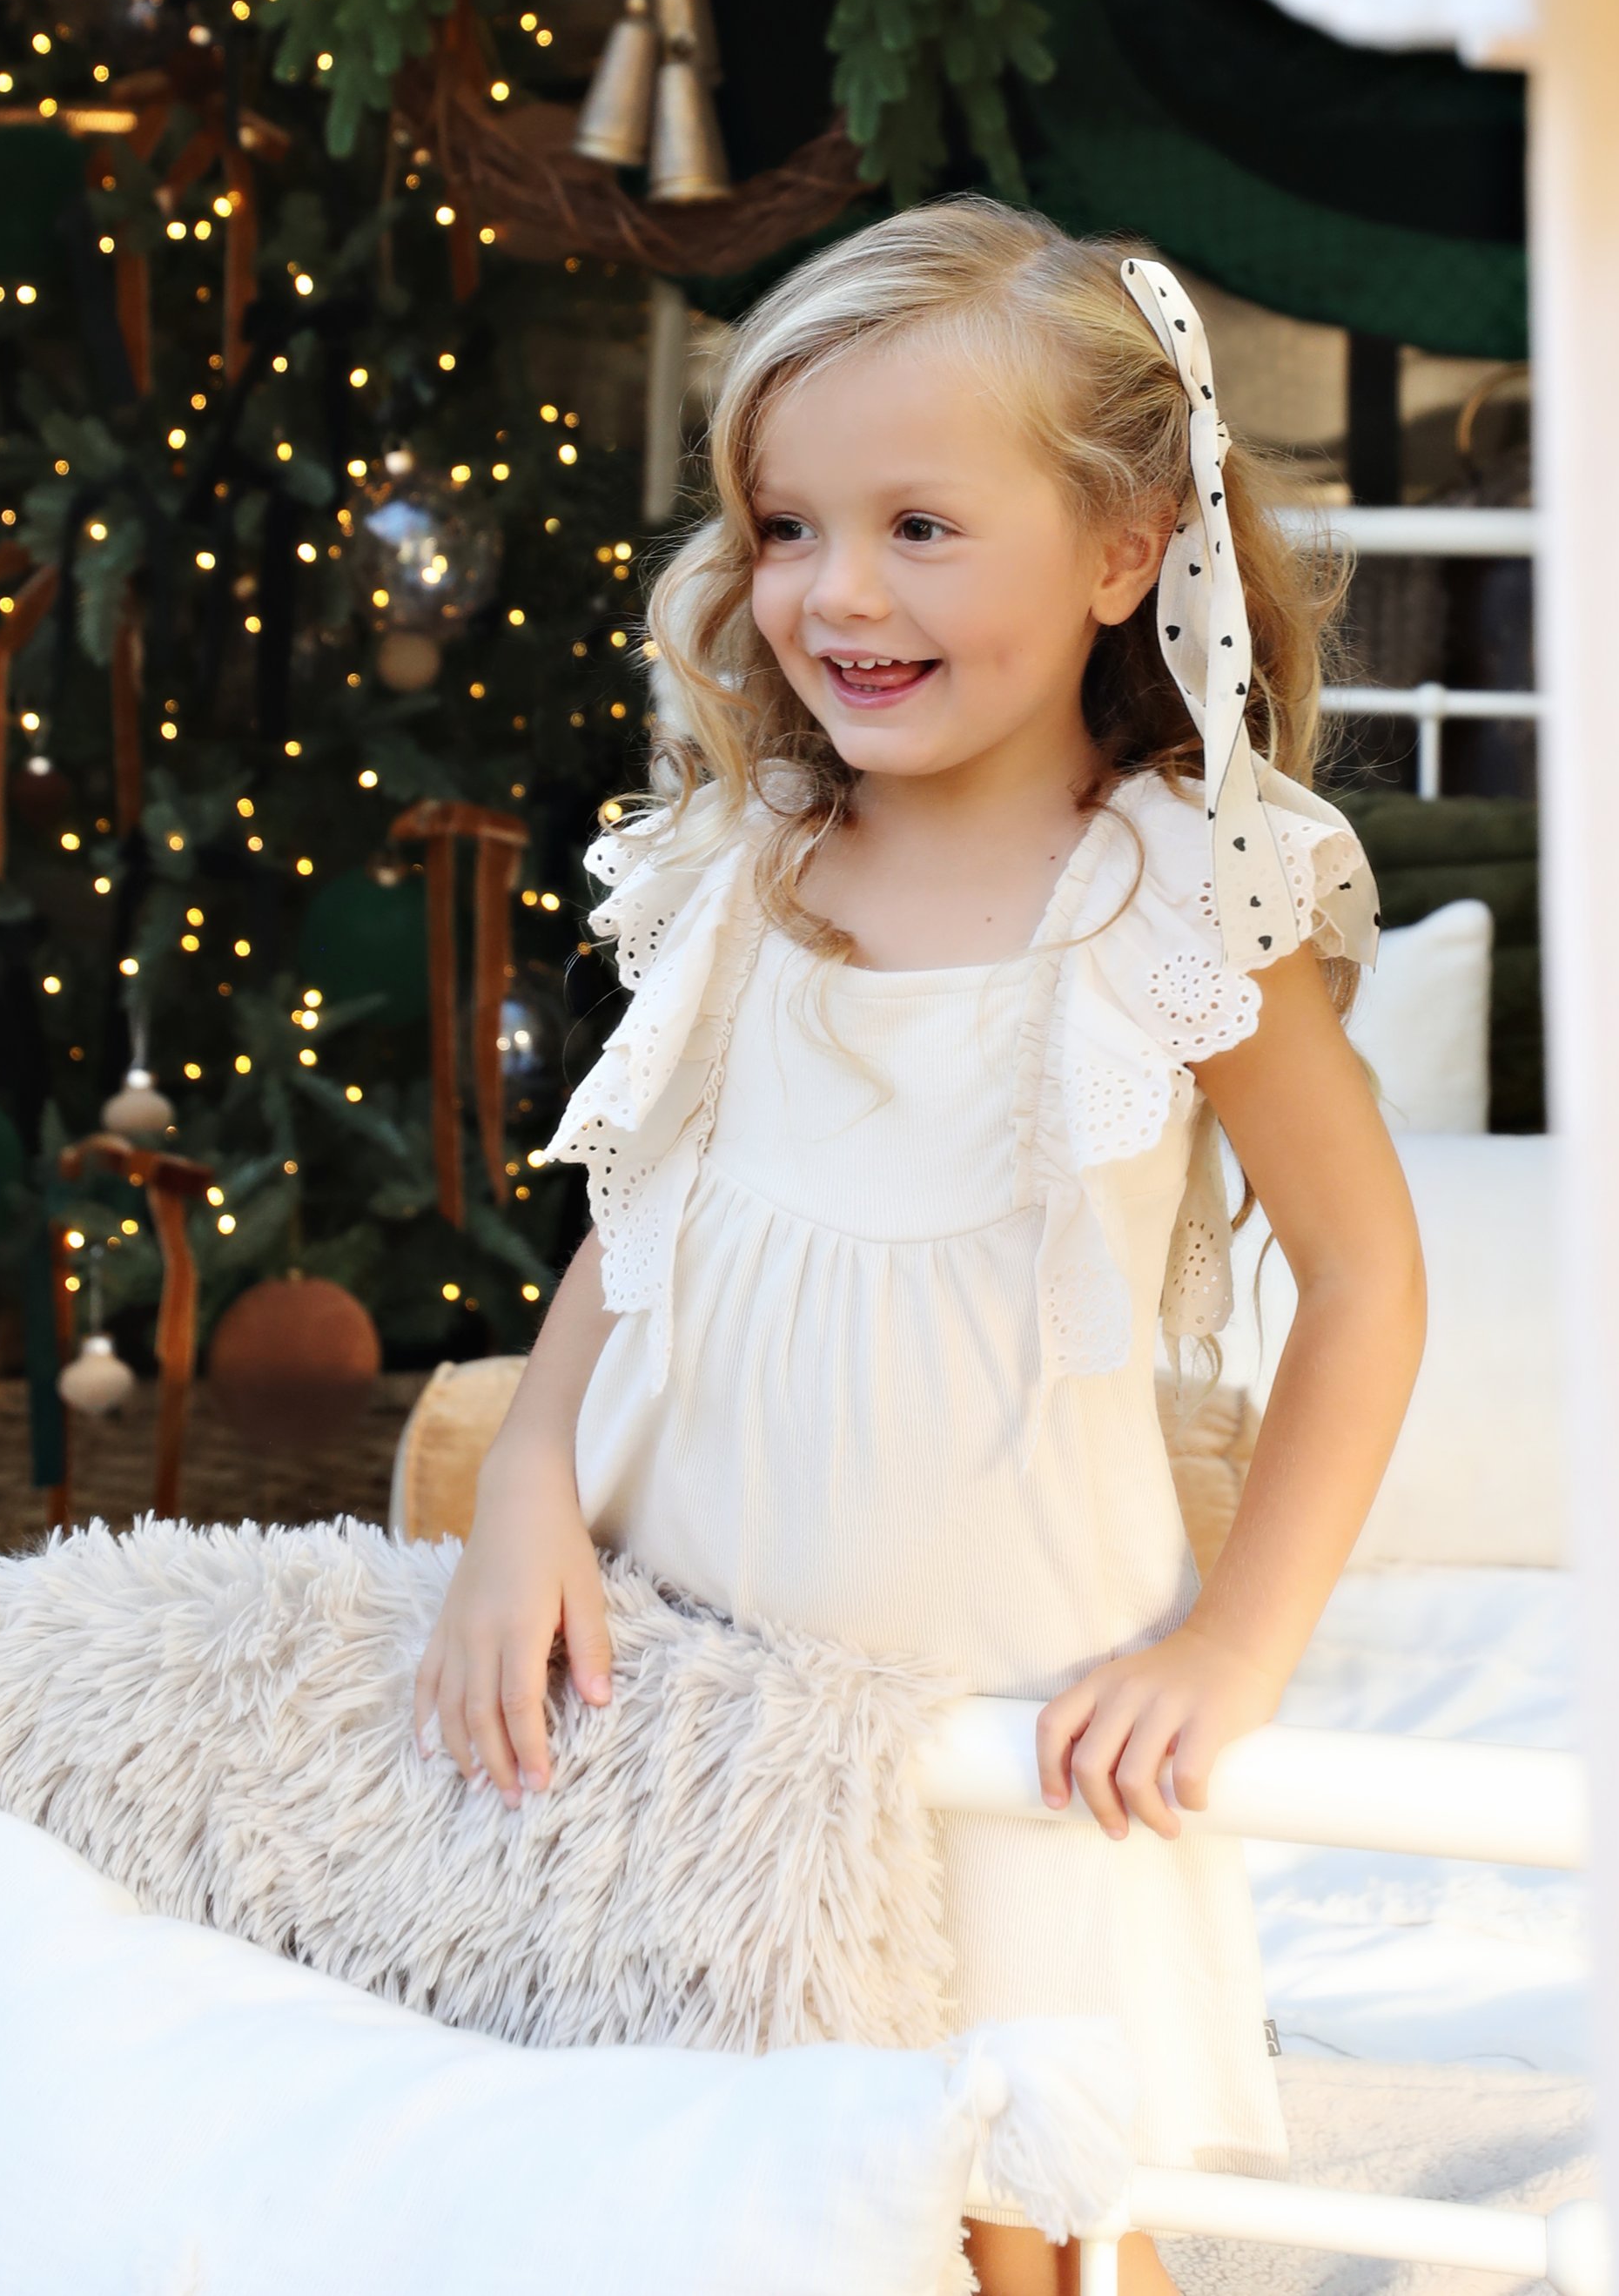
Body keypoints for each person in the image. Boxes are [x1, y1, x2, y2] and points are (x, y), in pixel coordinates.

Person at [415, 200, 1426, 2293]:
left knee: (1028, 2221)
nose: (832, 593)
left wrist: (1228, 1652)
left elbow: (1365, 1283)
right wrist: (523, 1484)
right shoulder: (746, 866)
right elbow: (647, 1221)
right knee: (709, 2185)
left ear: (1127, 545)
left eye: (916, 527)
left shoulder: (1173, 898)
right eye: (785, 525)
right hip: (692, 1685)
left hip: (1007, 1698)